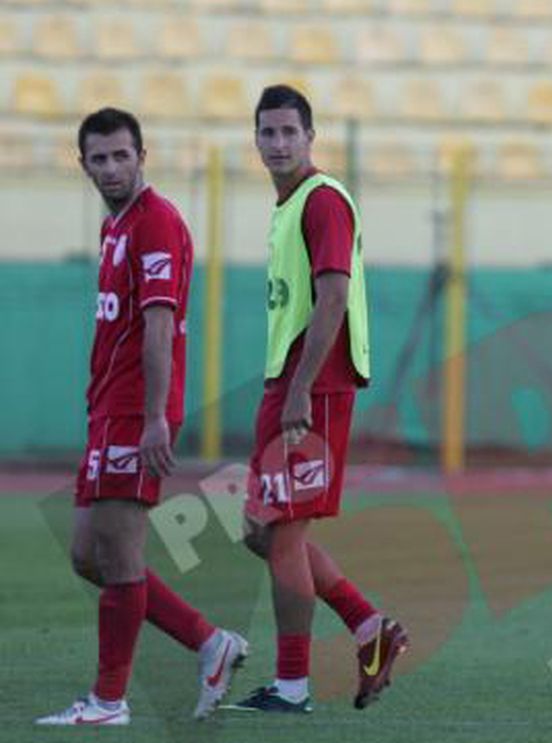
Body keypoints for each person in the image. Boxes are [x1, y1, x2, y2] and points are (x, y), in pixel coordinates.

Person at [38, 108, 247, 726]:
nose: (109, 168)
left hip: (136, 410)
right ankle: (210, 642)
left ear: (141, 155)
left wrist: (155, 417)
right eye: (98, 159)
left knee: (121, 556)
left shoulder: (156, 223)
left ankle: (108, 701)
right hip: (109, 408)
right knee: (87, 554)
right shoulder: (116, 227)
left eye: (120, 155)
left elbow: (159, 328)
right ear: (84, 165)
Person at [230, 85, 407, 713]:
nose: (277, 143)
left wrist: (301, 389)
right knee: (258, 527)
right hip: (290, 382)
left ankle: (293, 686)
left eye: (288, 132)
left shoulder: (323, 201)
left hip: (315, 387)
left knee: (280, 536)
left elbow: (332, 296)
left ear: (310, 136)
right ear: (255, 139)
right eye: (267, 132)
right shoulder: (289, 204)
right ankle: (369, 627)